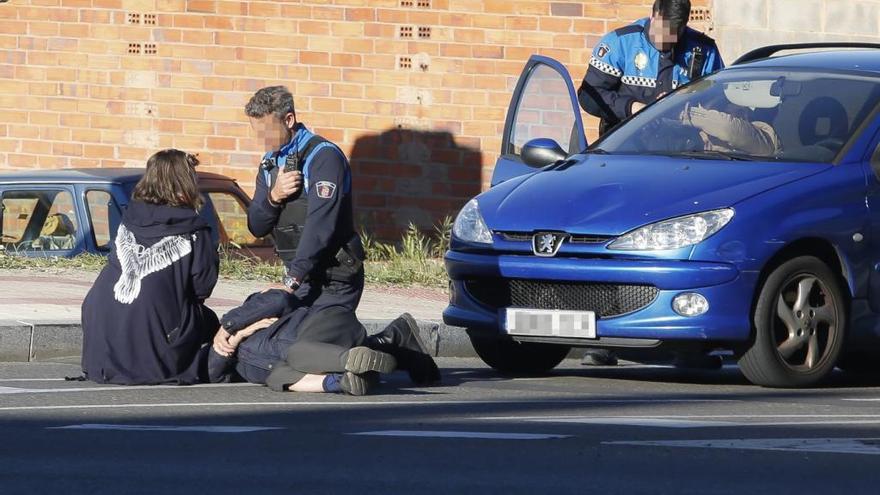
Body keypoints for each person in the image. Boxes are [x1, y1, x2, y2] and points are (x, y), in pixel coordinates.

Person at [81, 150, 219, 385]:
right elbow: (202, 287)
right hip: (156, 327)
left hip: (100, 325)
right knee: (207, 322)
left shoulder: (128, 218)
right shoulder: (194, 229)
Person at [245, 85, 364, 313]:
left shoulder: (324, 158)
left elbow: (321, 226)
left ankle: (392, 339)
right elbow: (256, 226)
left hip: (334, 278)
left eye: (266, 131)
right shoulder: (270, 162)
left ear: (288, 120)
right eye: (256, 131)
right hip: (299, 276)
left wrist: (292, 281)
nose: (261, 139)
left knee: (311, 344)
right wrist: (274, 196)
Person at [206, 291, 439, 395]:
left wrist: (231, 325)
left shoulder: (246, 310)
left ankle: (350, 360)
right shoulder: (232, 364)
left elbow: (279, 298)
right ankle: (345, 381)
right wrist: (236, 337)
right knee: (276, 377)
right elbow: (214, 373)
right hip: (304, 363)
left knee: (296, 353)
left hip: (325, 325)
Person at [578, 0, 724, 135]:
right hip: (624, 143)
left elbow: (718, 100)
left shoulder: (705, 50)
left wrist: (681, 103)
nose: (662, 38)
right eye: (660, 29)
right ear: (653, 15)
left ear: (683, 27)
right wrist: (632, 108)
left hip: (681, 146)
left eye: (671, 35)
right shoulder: (620, 43)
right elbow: (589, 95)